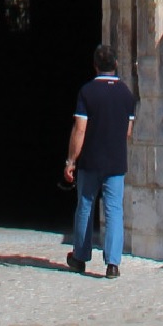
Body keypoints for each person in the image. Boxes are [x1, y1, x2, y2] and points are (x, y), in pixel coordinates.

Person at [63, 44, 138, 276]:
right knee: (114, 209)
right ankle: (113, 263)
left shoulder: (87, 92)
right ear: (116, 64)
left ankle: (80, 256)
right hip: (116, 161)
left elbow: (80, 130)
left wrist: (71, 161)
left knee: (85, 205)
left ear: (95, 66)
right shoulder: (127, 94)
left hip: (91, 160)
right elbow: (127, 131)